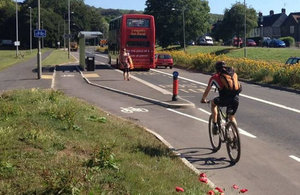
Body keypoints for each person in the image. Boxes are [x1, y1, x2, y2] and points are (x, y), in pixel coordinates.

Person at [201, 61, 242, 134]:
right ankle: (236, 135)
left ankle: (215, 125)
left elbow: (207, 90)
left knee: (213, 104)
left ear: (216, 69)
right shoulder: (232, 74)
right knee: (231, 117)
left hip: (224, 99)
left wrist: (203, 99)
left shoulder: (215, 77)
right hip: (236, 99)